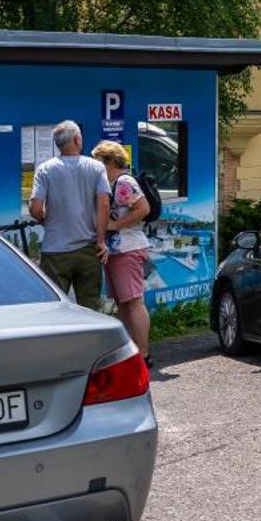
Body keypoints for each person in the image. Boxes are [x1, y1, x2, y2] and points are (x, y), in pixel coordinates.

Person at [29, 120, 111, 309]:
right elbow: (104, 204)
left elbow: (35, 209)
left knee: (54, 307)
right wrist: (100, 240)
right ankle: (89, 339)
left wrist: (45, 220)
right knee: (90, 306)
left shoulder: (45, 169)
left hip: (55, 251)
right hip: (89, 249)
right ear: (76, 139)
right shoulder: (96, 168)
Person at [93, 140, 153, 360]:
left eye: (98, 162)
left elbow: (143, 208)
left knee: (134, 301)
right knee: (123, 302)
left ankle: (143, 353)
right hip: (118, 251)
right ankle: (132, 350)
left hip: (128, 248)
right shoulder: (112, 184)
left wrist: (115, 225)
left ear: (108, 161)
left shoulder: (123, 182)